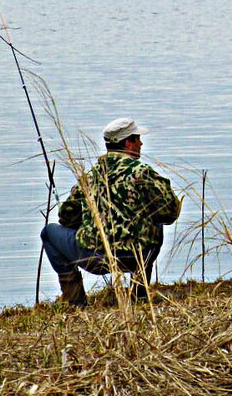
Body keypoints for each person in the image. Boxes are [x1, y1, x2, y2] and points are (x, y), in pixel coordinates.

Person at [40, 117, 181, 306]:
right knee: (156, 223)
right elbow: (170, 214)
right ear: (129, 143)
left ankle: (75, 302)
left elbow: (66, 217)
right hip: (137, 257)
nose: (141, 143)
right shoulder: (144, 173)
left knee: (49, 232)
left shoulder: (90, 177)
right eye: (137, 139)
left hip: (94, 259)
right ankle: (139, 294)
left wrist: (92, 223)